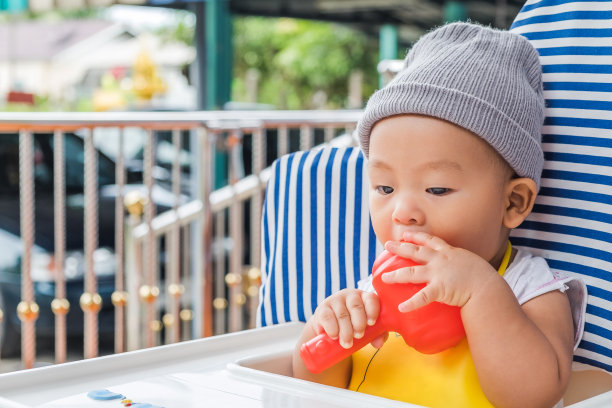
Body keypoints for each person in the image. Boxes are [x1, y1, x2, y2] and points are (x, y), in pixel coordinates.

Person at [292, 22, 586, 408]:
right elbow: (313, 387)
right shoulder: (377, 288)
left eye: (436, 189)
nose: (403, 212)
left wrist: (480, 291)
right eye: (384, 188)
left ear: (513, 203)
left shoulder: (530, 288)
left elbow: (533, 396)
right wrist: (329, 328)